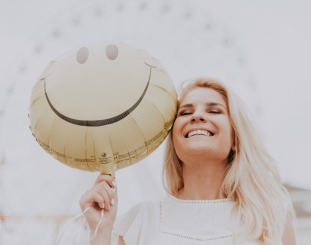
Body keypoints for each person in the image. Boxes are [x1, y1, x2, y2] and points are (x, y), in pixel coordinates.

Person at [79, 78, 296, 245]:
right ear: (174, 139)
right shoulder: (141, 220)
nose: (197, 116)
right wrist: (100, 231)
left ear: (235, 140)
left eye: (214, 110)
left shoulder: (271, 216)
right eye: (186, 112)